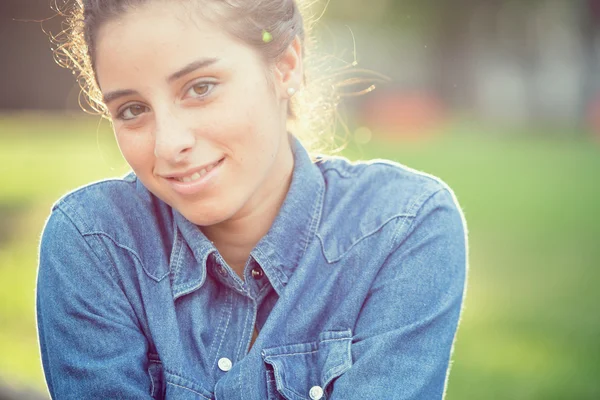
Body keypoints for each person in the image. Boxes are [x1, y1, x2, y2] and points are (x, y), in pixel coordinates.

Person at [36, 0, 468, 399]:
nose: (168, 145)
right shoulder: (94, 243)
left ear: (286, 66)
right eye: (132, 110)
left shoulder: (402, 226)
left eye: (200, 88)